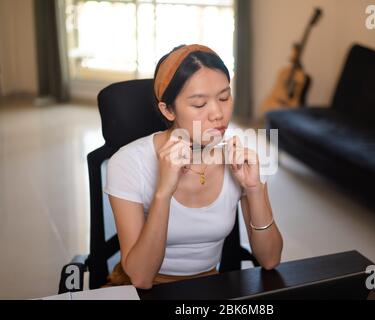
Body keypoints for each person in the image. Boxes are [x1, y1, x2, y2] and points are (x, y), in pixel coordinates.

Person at [103, 44, 283, 289]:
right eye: (199, 105)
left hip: (207, 286)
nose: (218, 113)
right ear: (167, 110)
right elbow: (141, 278)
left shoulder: (236, 159)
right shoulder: (127, 162)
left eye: (224, 97)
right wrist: (163, 192)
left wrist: (254, 189)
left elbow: (271, 259)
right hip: (139, 290)